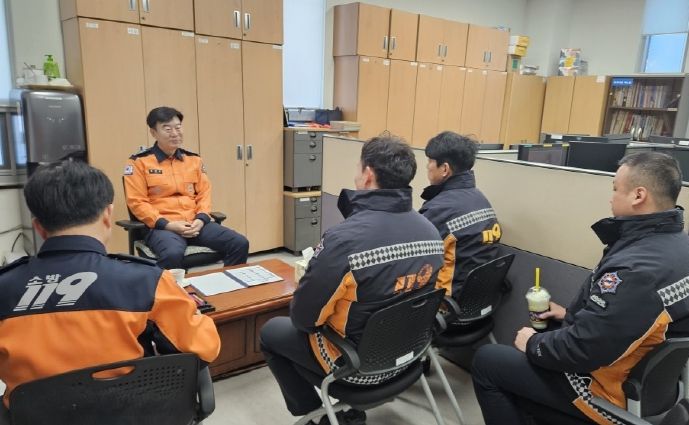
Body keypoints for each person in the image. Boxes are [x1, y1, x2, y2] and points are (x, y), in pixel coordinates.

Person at [471, 152, 689, 425]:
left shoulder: (637, 270)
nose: (611, 198)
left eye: (615, 189)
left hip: (608, 392)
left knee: (488, 361)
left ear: (638, 195)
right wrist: (568, 315)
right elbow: (634, 321)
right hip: (653, 388)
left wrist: (532, 344)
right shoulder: (685, 248)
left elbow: (582, 351)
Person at [0, 161, 221, 408]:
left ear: (38, 227)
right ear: (107, 215)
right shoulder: (147, 281)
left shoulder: (5, 287)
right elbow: (204, 349)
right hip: (133, 414)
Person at [260, 136, 445, 424]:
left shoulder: (345, 239)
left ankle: (317, 414)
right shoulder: (431, 232)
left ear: (368, 174)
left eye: (358, 167)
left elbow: (305, 319)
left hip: (358, 369)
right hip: (411, 354)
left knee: (272, 332)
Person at [124, 106, 248, 269]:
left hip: (195, 223)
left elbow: (204, 193)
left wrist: (201, 219)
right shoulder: (139, 162)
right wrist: (167, 224)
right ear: (153, 133)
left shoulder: (194, 160)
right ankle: (169, 286)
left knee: (239, 243)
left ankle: (227, 283)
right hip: (163, 227)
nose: (175, 133)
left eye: (178, 127)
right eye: (167, 129)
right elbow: (137, 202)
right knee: (172, 254)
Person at [419, 131, 501, 298]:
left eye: (430, 161)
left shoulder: (438, 210)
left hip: (446, 302)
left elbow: (415, 258)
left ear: (444, 169)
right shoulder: (481, 199)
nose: (427, 166)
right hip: (478, 297)